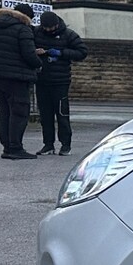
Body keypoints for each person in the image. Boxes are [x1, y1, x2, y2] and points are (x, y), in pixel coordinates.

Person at [0, 2, 42, 160]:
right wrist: (39, 63)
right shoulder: (23, 29)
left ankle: (7, 147)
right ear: (26, 17)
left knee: (5, 112)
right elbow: (28, 54)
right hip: (17, 77)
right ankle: (16, 147)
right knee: (19, 112)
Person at [33, 9, 88, 156]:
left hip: (61, 80)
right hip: (42, 79)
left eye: (51, 27)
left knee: (62, 113)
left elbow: (82, 52)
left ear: (57, 24)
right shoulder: (37, 33)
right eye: (46, 28)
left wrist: (61, 53)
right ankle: (48, 144)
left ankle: (65, 145)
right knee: (45, 115)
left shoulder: (68, 34)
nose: (49, 30)